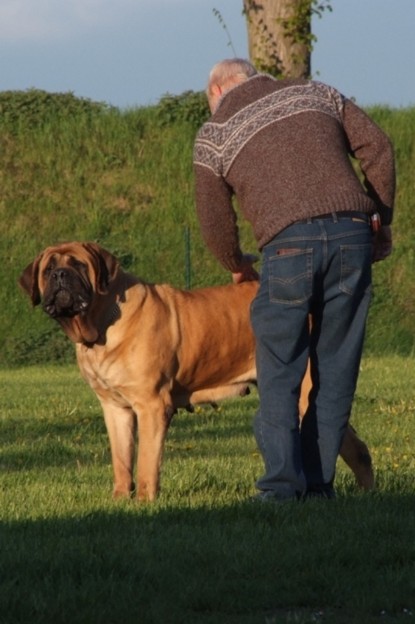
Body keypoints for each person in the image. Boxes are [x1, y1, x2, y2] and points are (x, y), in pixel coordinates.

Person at [193, 58, 395, 502]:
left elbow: (214, 220)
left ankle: (282, 488)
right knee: (335, 364)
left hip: (287, 245)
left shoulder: (215, 131)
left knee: (280, 366)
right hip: (352, 234)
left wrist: (236, 263)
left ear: (216, 92)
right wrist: (381, 219)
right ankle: (319, 486)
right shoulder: (317, 91)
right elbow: (378, 147)